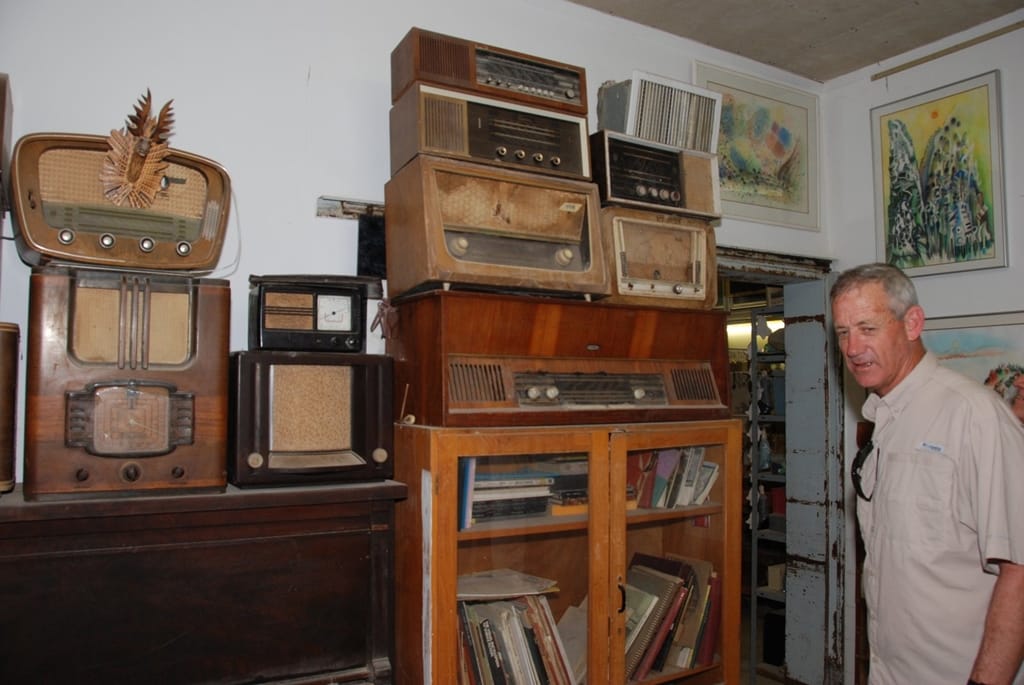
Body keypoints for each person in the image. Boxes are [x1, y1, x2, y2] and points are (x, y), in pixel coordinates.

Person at [830, 263, 1024, 684]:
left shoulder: (974, 415)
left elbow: (1019, 570)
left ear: (912, 323)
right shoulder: (884, 416)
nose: (853, 347)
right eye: (843, 332)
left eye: (867, 328)